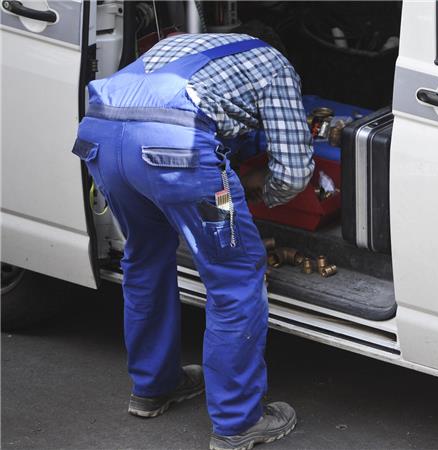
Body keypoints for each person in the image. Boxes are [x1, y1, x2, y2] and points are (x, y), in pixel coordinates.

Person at [72, 33, 314, 450]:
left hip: (103, 141)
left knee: (145, 257)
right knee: (234, 277)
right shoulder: (276, 66)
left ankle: (154, 387)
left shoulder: (183, 43)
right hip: (177, 155)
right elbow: (293, 172)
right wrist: (260, 192)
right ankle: (239, 422)